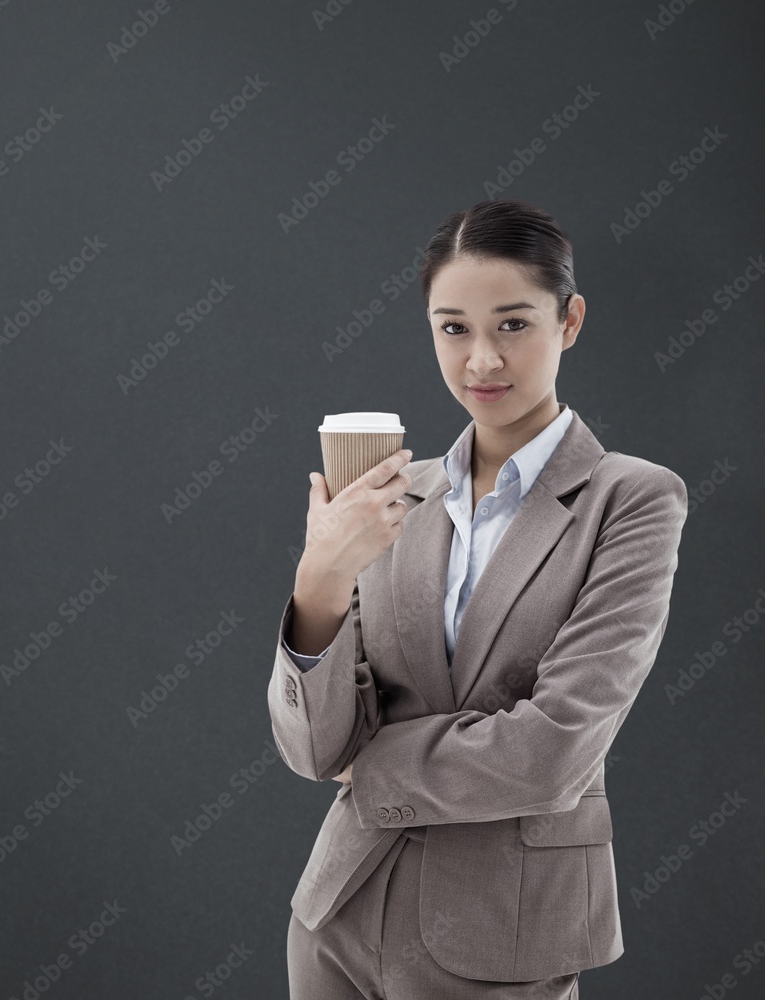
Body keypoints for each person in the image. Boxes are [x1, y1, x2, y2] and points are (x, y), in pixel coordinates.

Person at [267, 199, 689, 998]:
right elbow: (316, 752)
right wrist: (319, 580)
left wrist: (377, 766)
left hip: (504, 933)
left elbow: (555, 749)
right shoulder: (396, 494)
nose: (482, 360)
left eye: (514, 324)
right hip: (337, 921)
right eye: (453, 328)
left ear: (569, 322)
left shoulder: (628, 500)